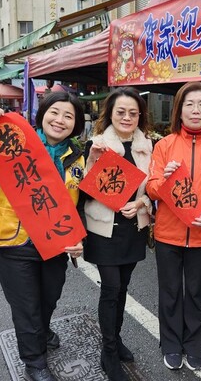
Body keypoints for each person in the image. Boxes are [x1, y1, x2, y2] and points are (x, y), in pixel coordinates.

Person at [0, 92, 86, 381]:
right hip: (15, 241)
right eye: (55, 112)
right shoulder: (13, 145)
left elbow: (81, 202)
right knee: (26, 307)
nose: (60, 120)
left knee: (49, 299)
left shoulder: (78, 155)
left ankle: (43, 329)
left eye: (68, 116)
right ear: (42, 115)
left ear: (76, 125)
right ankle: (35, 362)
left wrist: (79, 238)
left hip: (56, 244)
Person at [146, 81, 201, 371]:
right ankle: (170, 344)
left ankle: (193, 344)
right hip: (168, 235)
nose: (196, 110)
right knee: (170, 293)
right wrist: (164, 180)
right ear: (179, 110)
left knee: (196, 294)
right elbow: (152, 189)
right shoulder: (164, 146)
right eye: (189, 104)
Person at [82, 87, 153, 381]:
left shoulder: (149, 146)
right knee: (111, 289)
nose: (126, 117)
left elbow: (153, 190)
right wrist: (93, 161)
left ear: (140, 116)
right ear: (110, 113)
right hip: (103, 229)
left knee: (122, 288)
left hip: (133, 229)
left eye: (133, 112)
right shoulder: (96, 144)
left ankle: (116, 337)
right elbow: (81, 188)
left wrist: (141, 203)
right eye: (120, 111)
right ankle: (108, 350)